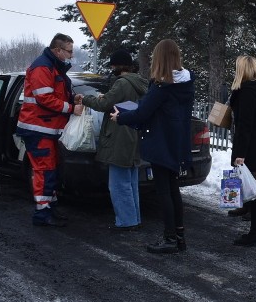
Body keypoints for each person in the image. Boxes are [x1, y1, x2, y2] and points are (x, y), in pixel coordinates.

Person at [111, 40, 193, 253]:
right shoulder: (185, 83)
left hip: (160, 143)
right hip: (176, 143)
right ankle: (179, 236)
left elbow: (142, 113)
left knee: (164, 192)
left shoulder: (161, 86)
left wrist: (120, 117)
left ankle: (169, 239)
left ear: (159, 59)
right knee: (174, 190)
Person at [80, 50, 148, 232]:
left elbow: (103, 105)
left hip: (119, 136)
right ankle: (134, 218)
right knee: (131, 181)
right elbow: (127, 104)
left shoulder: (122, 84)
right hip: (134, 135)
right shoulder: (140, 83)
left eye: (112, 66)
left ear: (117, 66)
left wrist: (84, 99)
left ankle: (126, 221)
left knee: (118, 183)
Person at [15, 33, 77, 227]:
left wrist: (73, 100)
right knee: (44, 170)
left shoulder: (52, 66)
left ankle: (50, 207)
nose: (70, 55)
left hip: (47, 128)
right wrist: (71, 108)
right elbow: (45, 98)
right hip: (38, 128)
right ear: (57, 50)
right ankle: (42, 214)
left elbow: (54, 94)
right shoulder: (43, 66)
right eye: (69, 51)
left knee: (51, 170)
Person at [228, 55, 256, 246]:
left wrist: (239, 154)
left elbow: (245, 125)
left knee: (255, 192)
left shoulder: (246, 92)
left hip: (249, 145)